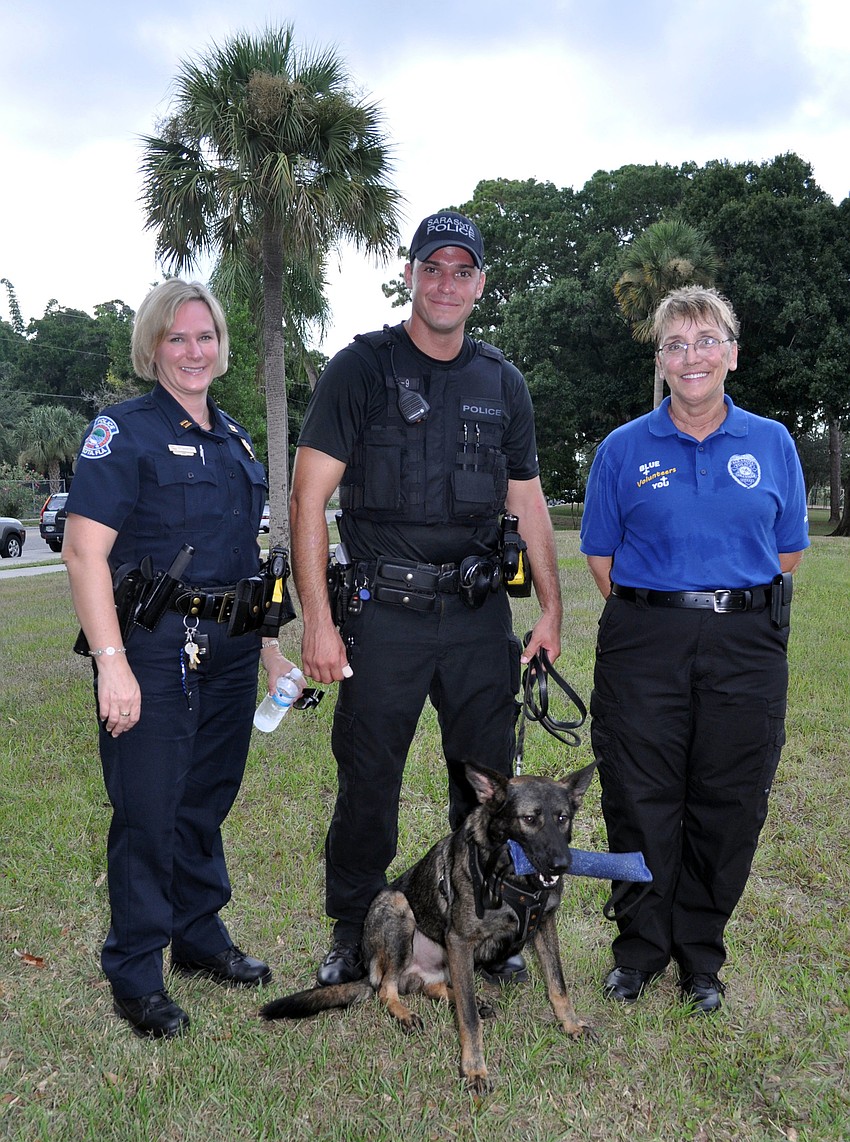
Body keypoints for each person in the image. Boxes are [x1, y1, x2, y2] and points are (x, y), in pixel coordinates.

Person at [290, 209, 562, 986]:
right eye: (431, 267)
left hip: (478, 618)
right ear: (409, 275)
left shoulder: (501, 381)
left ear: (480, 283)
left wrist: (550, 608)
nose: (446, 282)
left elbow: (529, 500)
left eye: (462, 270)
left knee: (487, 786)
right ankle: (353, 927)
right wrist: (318, 618)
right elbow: (310, 498)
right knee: (368, 778)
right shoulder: (361, 369)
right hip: (385, 616)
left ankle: (487, 923)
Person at [63, 279, 303, 1039]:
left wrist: (269, 652)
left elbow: (246, 566)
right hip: (154, 648)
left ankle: (199, 939)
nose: (194, 351)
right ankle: (135, 971)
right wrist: (112, 661)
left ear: (221, 345)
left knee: (205, 801)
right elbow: (83, 552)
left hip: (230, 649)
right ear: (152, 347)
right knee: (148, 811)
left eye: (205, 337)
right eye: (177, 338)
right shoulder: (122, 431)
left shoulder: (233, 440)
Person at [580, 285, 809, 1014]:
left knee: (730, 798)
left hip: (747, 642)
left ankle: (701, 956)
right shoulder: (622, 449)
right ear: (661, 361)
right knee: (640, 796)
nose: (693, 355)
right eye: (676, 344)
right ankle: (640, 951)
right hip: (646, 638)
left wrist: (722, 604)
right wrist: (673, 607)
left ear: (732, 354)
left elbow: (788, 550)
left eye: (707, 340)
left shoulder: (772, 442)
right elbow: (603, 562)